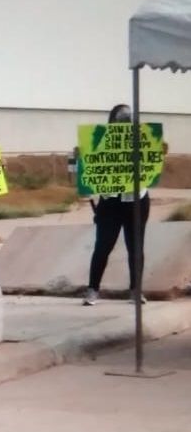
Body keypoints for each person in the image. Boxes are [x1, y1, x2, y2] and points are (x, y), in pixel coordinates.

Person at [82, 103, 164, 306]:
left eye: (128, 119)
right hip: (111, 201)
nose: (125, 123)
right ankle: (93, 289)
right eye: (122, 120)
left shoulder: (141, 140)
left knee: (136, 247)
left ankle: (136, 290)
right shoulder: (102, 140)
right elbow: (92, 164)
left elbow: (151, 162)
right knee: (103, 245)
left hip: (137, 199)